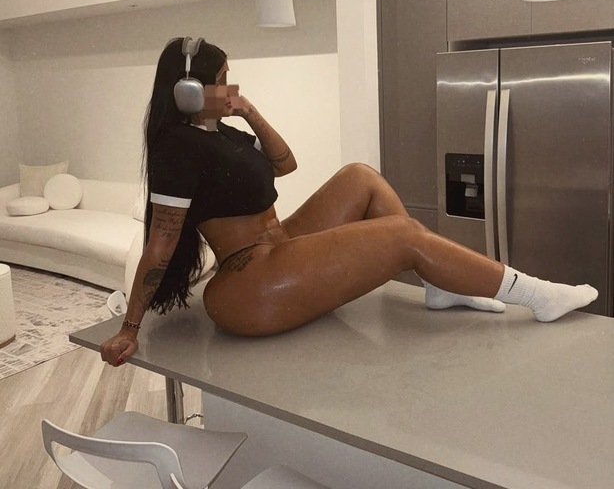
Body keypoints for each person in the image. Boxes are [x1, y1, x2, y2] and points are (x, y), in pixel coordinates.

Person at [100, 37, 598, 367]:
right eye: (223, 78)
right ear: (189, 91)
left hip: (277, 248)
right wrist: (130, 328)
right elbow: (161, 244)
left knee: (360, 177)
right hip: (247, 281)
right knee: (403, 236)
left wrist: (248, 111)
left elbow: (285, 163)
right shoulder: (176, 148)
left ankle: (439, 284)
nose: (232, 86)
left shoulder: (224, 133)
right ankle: (536, 295)